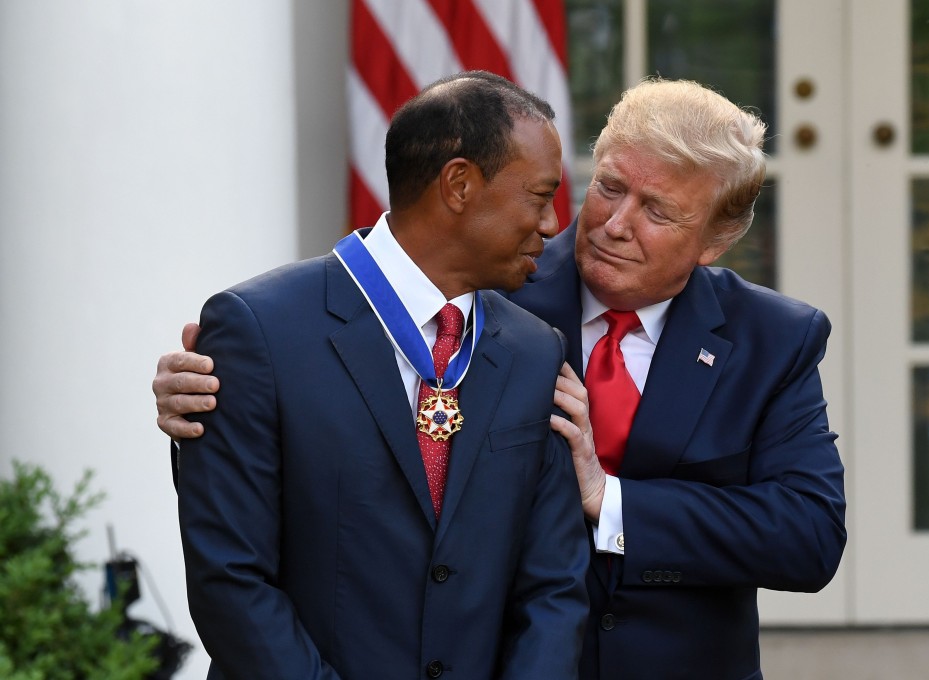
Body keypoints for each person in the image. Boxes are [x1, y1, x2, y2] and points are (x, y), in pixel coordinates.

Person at [155, 77, 847, 680]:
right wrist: (215, 385)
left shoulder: (774, 339)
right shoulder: (488, 286)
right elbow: (333, 345)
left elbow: (810, 534)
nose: (611, 224)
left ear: (717, 238)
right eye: (608, 188)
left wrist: (610, 502)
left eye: (658, 211)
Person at [168, 71, 590, 680]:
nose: (552, 225)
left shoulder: (534, 351)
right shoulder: (257, 330)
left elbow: (552, 588)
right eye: (539, 195)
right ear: (460, 184)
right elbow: (230, 579)